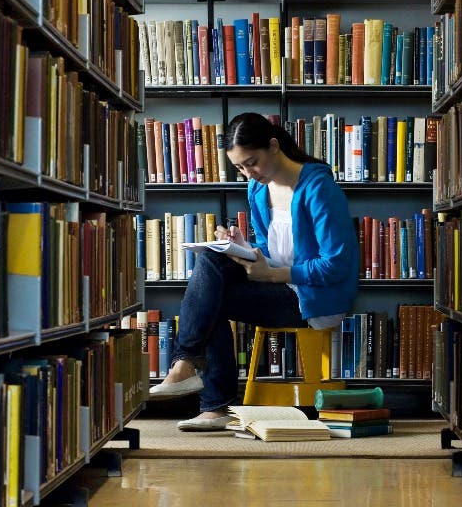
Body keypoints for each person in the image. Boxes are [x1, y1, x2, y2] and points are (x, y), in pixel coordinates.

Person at [148, 112, 359, 431]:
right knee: (211, 262)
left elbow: (337, 264)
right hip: (280, 287)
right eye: (240, 168)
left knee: (211, 292)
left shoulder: (318, 187)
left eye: (252, 162)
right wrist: (242, 246)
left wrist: (272, 275)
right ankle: (204, 392)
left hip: (315, 300)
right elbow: (270, 247)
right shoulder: (258, 191)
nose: (248, 173)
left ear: (273, 146)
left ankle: (194, 375)